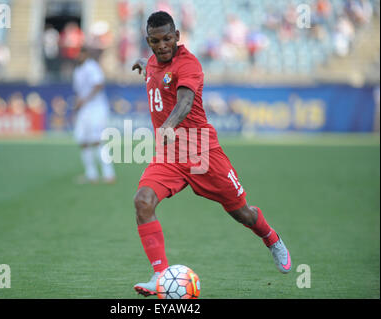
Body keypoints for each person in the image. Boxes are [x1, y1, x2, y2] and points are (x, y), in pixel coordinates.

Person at [131, 11, 291, 297]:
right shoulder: (154, 60)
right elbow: (155, 68)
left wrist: (168, 125)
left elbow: (185, 100)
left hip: (202, 152)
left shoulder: (189, 64)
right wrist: (144, 64)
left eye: (168, 38)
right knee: (143, 201)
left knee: (241, 212)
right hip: (169, 155)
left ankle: (271, 237)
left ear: (177, 36)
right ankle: (159, 274)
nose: (163, 45)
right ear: (149, 41)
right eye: (156, 41)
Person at [72, 46, 115, 184]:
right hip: (84, 110)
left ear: (85, 54)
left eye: (79, 53)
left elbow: (98, 85)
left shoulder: (92, 67)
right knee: (83, 141)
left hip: (96, 108)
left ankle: (108, 174)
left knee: (97, 140)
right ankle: (91, 174)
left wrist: (84, 99)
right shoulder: (78, 70)